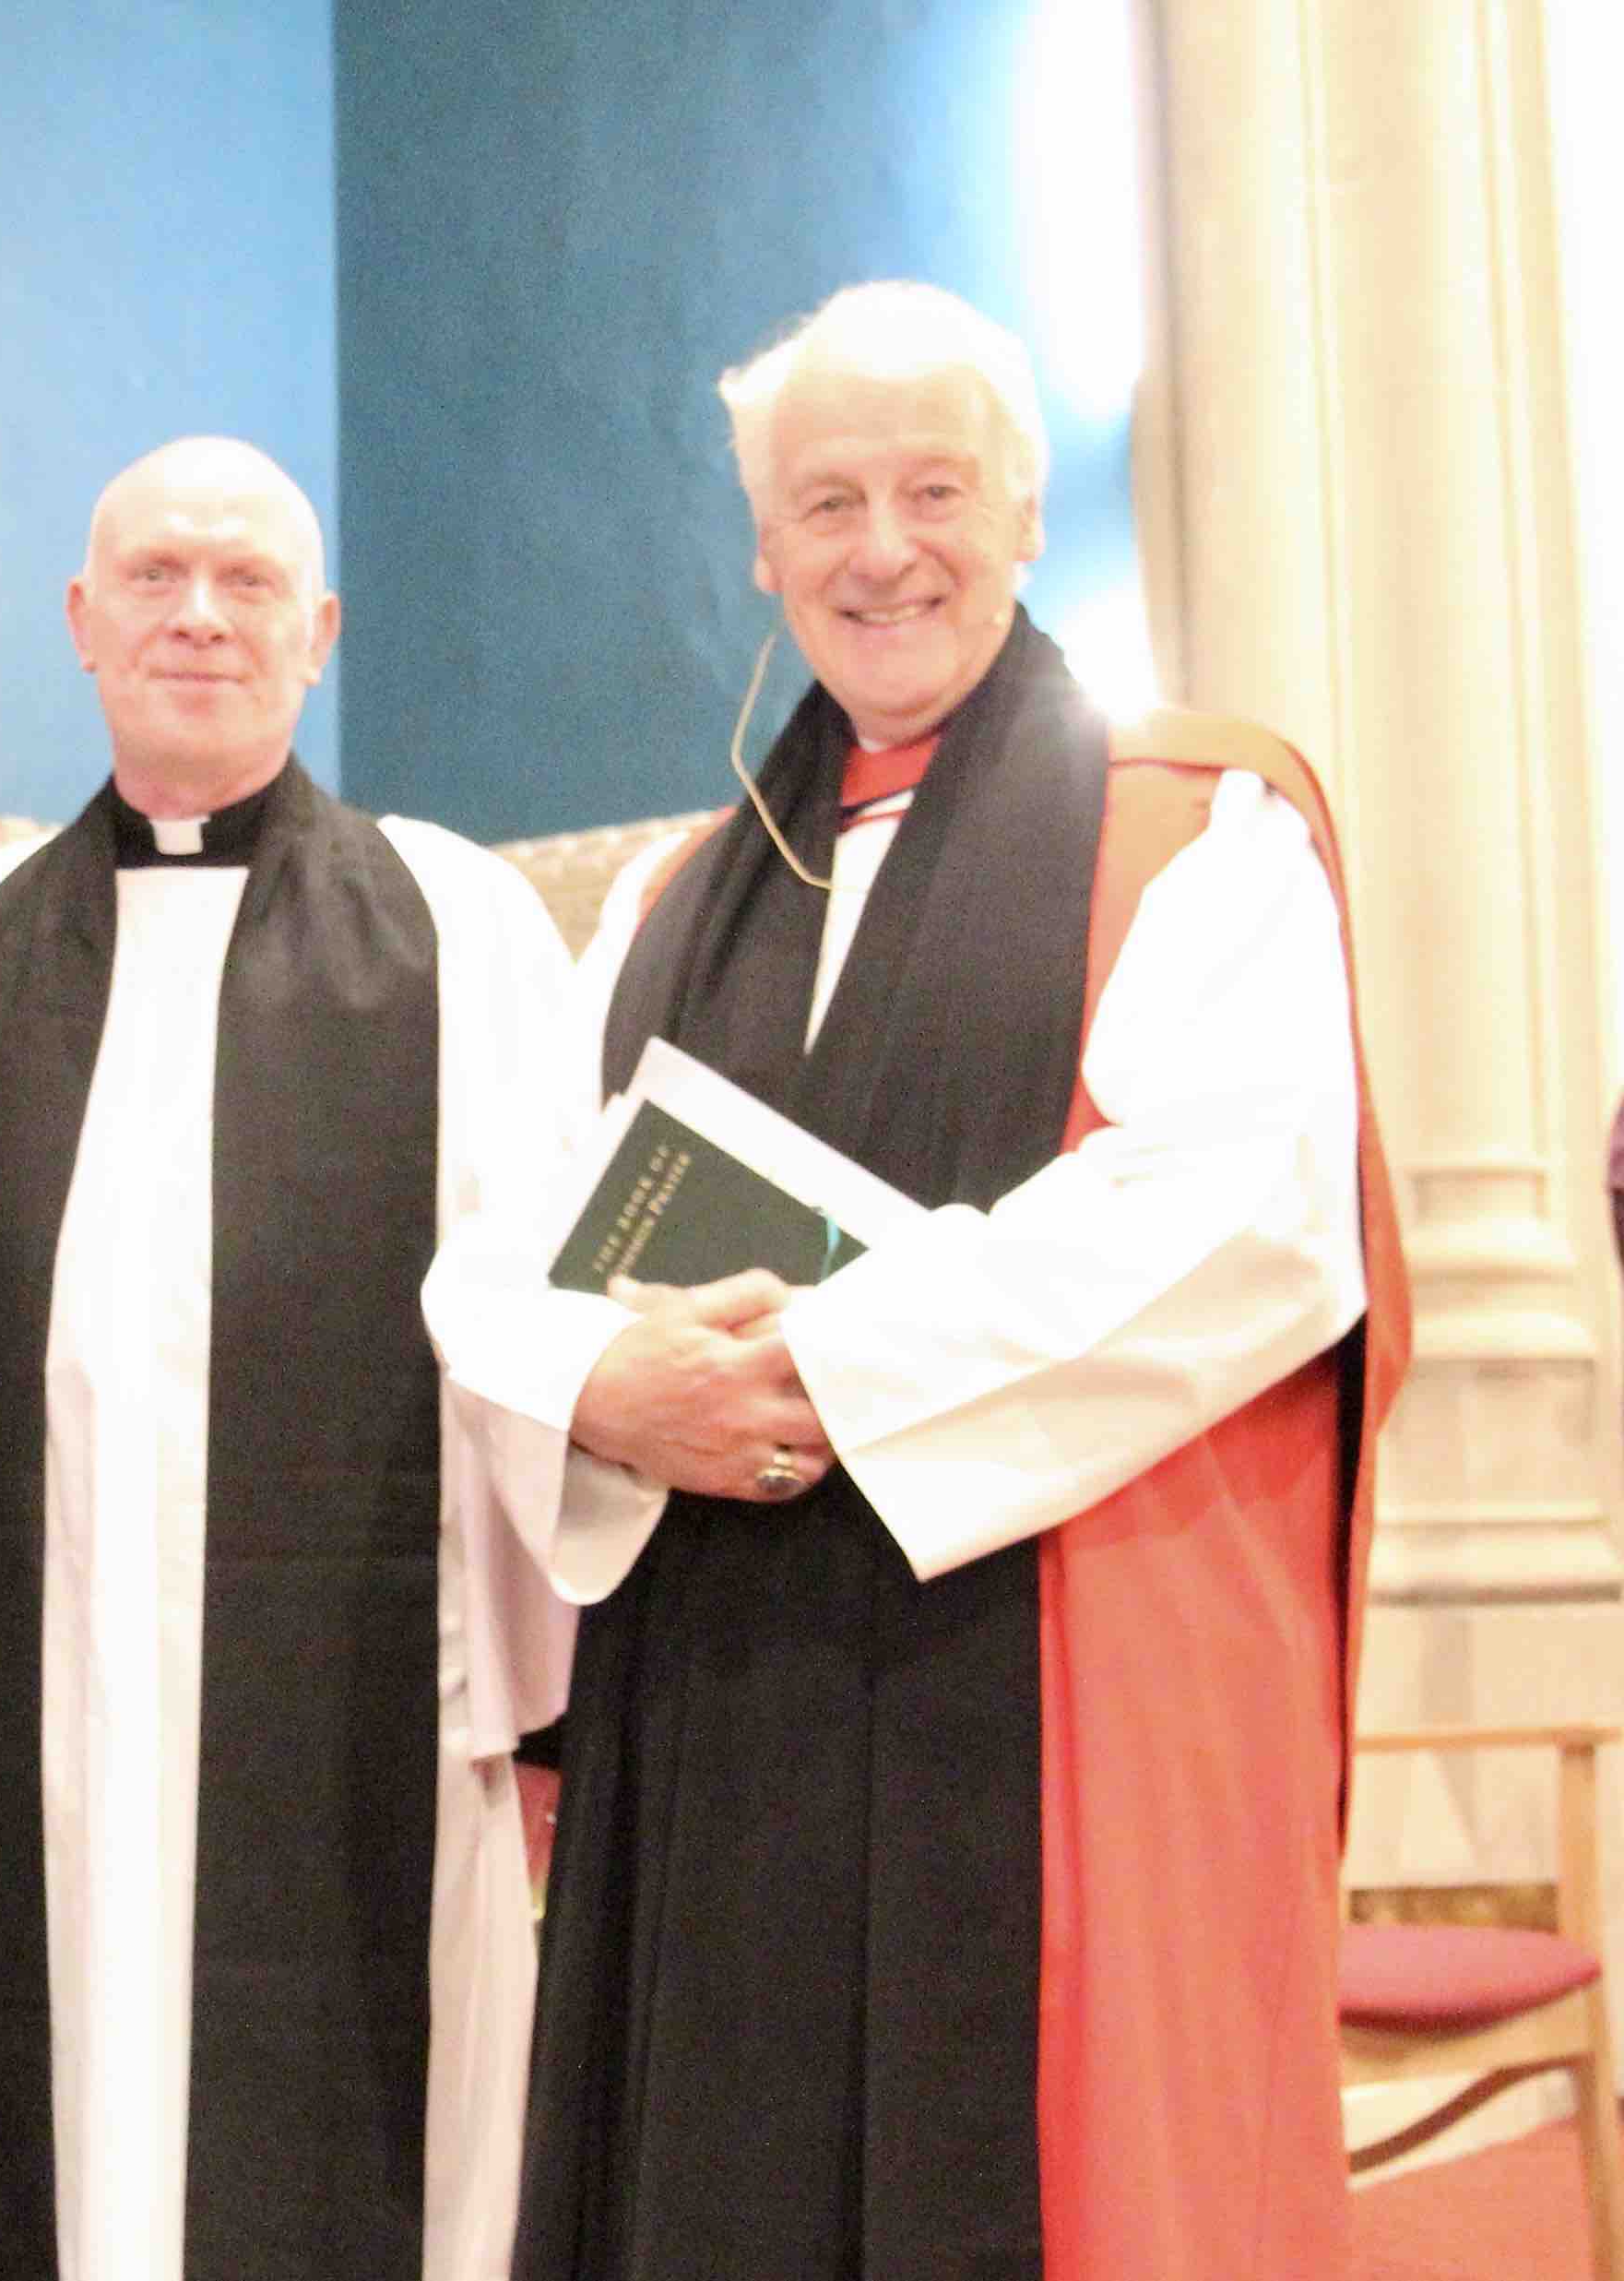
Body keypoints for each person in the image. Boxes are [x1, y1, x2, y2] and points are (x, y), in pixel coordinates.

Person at [423, 282, 1407, 2280]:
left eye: (936, 488)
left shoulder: (1200, 829)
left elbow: (1242, 1209)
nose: (885, 549)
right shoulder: (668, 898)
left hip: (1062, 1686)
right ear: (767, 551)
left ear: (1030, 511)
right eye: (830, 502)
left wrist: (807, 1370)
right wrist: (603, 1394)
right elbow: (507, 1242)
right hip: (722, 1705)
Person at [0, 435, 580, 2281]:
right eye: (155, 576)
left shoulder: (457, 924)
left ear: (317, 632)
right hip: (33, 1697)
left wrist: (554, 1701)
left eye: (248, 584)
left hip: (367, 1721)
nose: (199, 613)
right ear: (80, 621)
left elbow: (552, 1320)